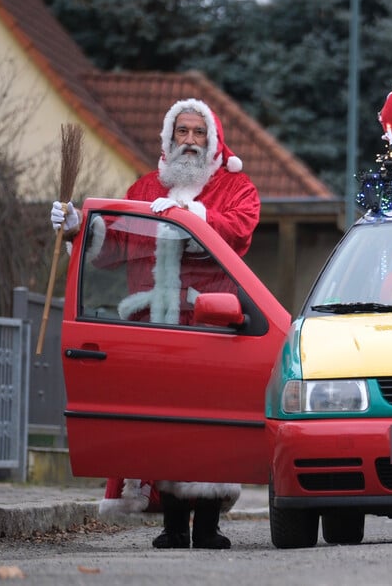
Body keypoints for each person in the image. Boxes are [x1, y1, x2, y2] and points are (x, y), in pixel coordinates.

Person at [50, 98, 260, 549]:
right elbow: (113, 247)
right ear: (168, 139)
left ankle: (207, 526)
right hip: (153, 335)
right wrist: (76, 229)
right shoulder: (144, 189)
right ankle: (170, 525)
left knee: (206, 430)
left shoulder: (235, 188)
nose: (189, 141)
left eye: (197, 133)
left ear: (213, 139)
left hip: (210, 331)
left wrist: (192, 218)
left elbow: (240, 231)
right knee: (163, 426)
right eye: (181, 132)